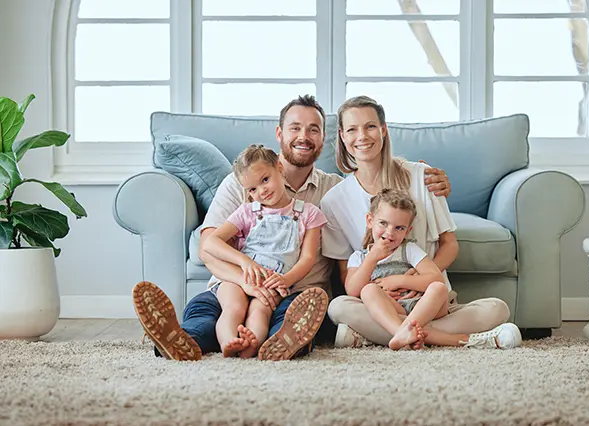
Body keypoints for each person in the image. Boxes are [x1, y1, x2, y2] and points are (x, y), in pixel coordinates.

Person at [132, 94, 452, 362]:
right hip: (235, 285)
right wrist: (248, 280)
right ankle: (180, 340)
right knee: (206, 314)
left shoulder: (334, 191)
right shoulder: (243, 183)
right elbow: (208, 247)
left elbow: (378, 192)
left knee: (294, 325)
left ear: (324, 138)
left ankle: (276, 344)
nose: (304, 136)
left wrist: (420, 175)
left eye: (313, 129)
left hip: (296, 295)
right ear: (279, 133)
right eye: (295, 127)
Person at [321, 95, 522, 350]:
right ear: (341, 136)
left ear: (383, 130)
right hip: (380, 302)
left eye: (370, 126)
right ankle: (452, 339)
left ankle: (377, 335)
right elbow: (347, 279)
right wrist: (381, 287)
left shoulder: (422, 176)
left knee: (497, 309)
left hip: (430, 298)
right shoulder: (333, 201)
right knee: (339, 307)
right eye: (352, 129)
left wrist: (415, 278)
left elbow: (449, 244)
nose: (362, 136)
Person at [202, 144, 327, 358]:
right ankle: (228, 342)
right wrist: (244, 262)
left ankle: (252, 345)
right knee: (234, 308)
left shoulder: (308, 213)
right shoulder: (246, 212)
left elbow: (307, 259)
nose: (262, 191)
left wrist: (286, 281)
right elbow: (211, 243)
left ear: (280, 168)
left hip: (272, 281)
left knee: (260, 311)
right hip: (239, 278)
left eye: (265, 180)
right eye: (252, 189)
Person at [347, 188, 449, 350]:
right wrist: (372, 258)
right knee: (367, 291)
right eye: (383, 223)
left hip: (422, 307)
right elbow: (352, 291)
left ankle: (401, 332)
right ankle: (402, 333)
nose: (390, 233)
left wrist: (399, 280)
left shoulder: (408, 249)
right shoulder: (359, 257)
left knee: (439, 288)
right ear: (370, 221)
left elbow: (435, 278)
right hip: (393, 309)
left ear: (408, 231)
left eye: (399, 228)